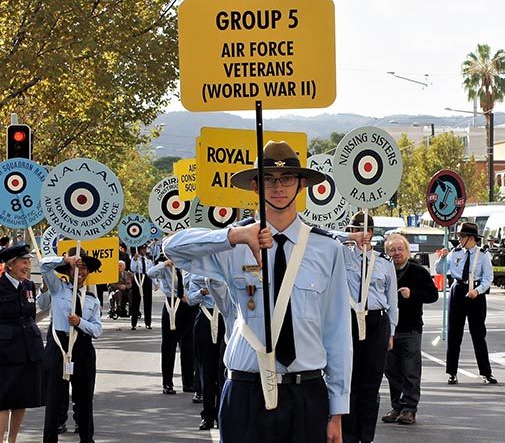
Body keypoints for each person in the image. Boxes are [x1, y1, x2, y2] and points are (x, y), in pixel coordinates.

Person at [164, 140, 352, 443]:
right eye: (268, 179)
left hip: (305, 393)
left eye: (287, 178)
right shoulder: (233, 245)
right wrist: (234, 235)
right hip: (246, 391)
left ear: (301, 184)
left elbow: (337, 333)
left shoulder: (327, 249)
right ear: (255, 186)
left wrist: (338, 411)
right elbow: (173, 248)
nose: (278, 187)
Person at [332, 212, 398, 443]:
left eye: (364, 231)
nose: (361, 235)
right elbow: (326, 238)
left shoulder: (384, 261)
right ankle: (348, 435)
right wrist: (349, 236)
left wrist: (391, 331)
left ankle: (366, 436)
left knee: (371, 383)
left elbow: (392, 300)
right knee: (349, 381)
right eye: (355, 230)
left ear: (372, 233)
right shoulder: (342, 254)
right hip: (349, 319)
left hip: (376, 321)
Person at [0, 244, 44, 443]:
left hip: (28, 349)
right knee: (3, 399)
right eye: (24, 262)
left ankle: (12, 440)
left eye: (28, 262)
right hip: (6, 351)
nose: (27, 266)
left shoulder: (28, 286)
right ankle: (0, 440)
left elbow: (30, 315)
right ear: (10, 265)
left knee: (21, 397)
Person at [39, 247, 103, 443]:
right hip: (59, 345)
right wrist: (66, 260)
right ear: (68, 270)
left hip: (82, 347)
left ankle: (86, 438)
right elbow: (43, 266)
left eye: (84, 267)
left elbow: (97, 330)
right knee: (54, 399)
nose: (80, 272)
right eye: (77, 267)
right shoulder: (58, 288)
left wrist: (80, 322)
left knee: (84, 400)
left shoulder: (92, 299)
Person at [381, 234, 438, 425]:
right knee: (391, 370)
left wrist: (412, 294)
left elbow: (432, 295)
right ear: (387, 252)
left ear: (407, 251)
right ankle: (397, 406)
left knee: (410, 371)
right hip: (388, 329)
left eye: (400, 249)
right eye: (392, 250)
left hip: (410, 328)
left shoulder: (418, 271)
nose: (396, 253)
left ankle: (409, 409)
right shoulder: (383, 269)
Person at [436, 222, 497, 385]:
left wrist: (478, 290)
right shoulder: (455, 252)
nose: (459, 239)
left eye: (462, 236)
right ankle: (452, 372)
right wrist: (442, 258)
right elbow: (440, 270)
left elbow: (488, 277)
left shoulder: (483, 255)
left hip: (475, 293)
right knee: (454, 333)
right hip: (458, 290)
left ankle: (486, 372)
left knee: (478, 334)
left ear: (471, 238)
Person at [147, 255, 195, 396]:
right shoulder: (166, 267)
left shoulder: (190, 265)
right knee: (169, 346)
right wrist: (164, 264)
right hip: (171, 305)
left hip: (187, 304)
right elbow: (150, 273)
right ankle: (167, 383)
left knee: (188, 346)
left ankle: (188, 382)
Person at [187, 275, 227, 430]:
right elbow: (190, 299)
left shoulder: (225, 269)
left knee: (223, 369)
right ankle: (208, 415)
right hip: (205, 316)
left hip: (224, 318)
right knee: (206, 369)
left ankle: (222, 413)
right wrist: (202, 293)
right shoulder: (197, 274)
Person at [130, 245, 154, 330]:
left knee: (148, 302)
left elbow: (151, 272)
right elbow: (133, 269)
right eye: (143, 249)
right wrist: (135, 260)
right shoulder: (135, 259)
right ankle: (134, 323)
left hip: (146, 279)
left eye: (145, 249)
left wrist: (155, 283)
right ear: (139, 250)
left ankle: (148, 323)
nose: (144, 250)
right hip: (138, 278)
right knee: (135, 301)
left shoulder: (148, 260)